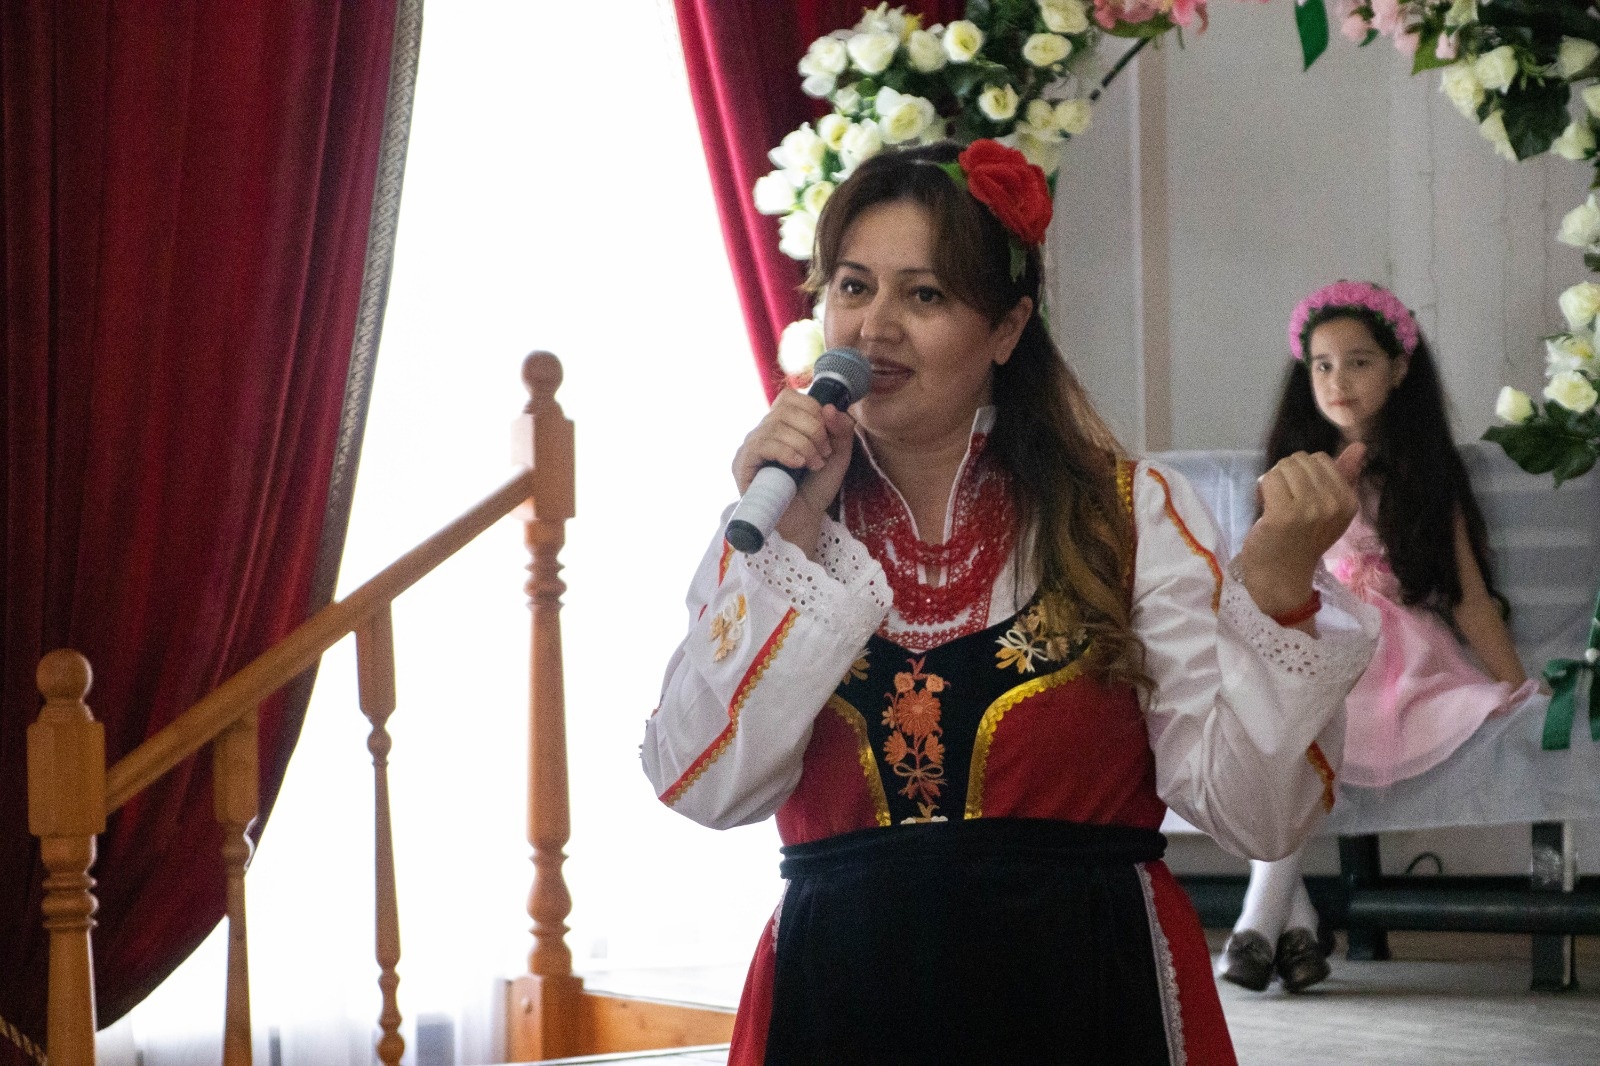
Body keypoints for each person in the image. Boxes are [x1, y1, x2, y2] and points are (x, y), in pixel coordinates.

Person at [641, 140, 1378, 1064]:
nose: (875, 327)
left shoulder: (1130, 515)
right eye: (854, 287)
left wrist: (1275, 591)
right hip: (839, 1000)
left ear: (1007, 327)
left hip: (1085, 994)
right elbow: (702, 788)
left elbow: (1255, 817)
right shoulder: (779, 521)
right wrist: (787, 545)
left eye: (925, 295)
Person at [1218, 280, 1540, 994]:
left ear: (1398, 369)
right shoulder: (1294, 475)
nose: (1338, 381)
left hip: (1395, 655)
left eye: (1359, 362)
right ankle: (1290, 926)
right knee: (1281, 712)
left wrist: (1517, 684)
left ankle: (1260, 923)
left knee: (1305, 716)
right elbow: (1266, 583)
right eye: (1322, 365)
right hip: (1314, 636)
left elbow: (1469, 600)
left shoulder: (1426, 476)